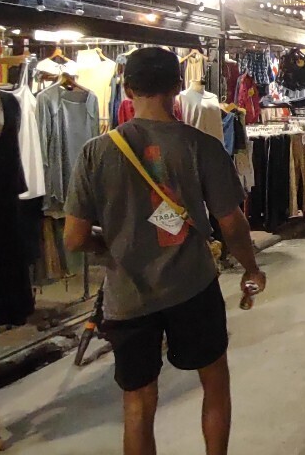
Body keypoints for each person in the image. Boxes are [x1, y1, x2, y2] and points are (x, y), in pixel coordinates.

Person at [63, 47, 265, 455]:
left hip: (128, 296)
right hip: (193, 287)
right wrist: (251, 268)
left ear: (126, 86)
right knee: (215, 383)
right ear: (177, 86)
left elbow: (74, 238)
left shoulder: (95, 153)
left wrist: (115, 247)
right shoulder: (203, 147)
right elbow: (231, 224)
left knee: (138, 403)